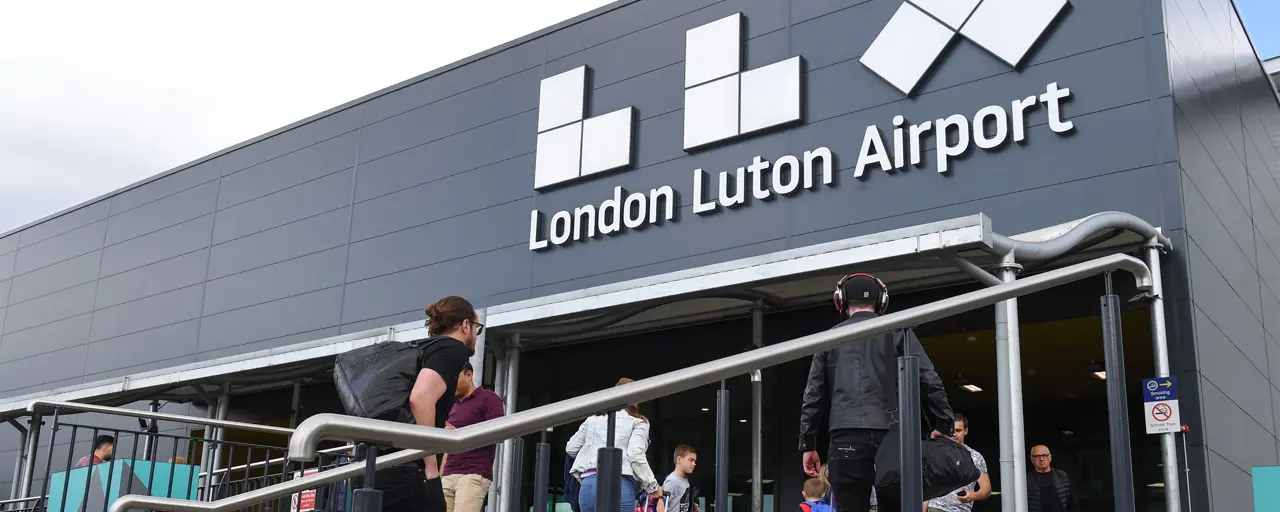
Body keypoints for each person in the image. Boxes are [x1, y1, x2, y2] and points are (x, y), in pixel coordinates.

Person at [799, 273, 955, 512]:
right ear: (882, 301)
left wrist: (808, 444)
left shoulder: (828, 339)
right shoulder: (899, 332)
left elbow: (813, 397)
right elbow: (929, 379)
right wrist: (943, 424)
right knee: (895, 506)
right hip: (892, 436)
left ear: (841, 301)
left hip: (845, 436)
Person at [375, 296, 481, 512]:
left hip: (380, 464)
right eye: (476, 328)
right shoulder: (453, 349)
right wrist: (430, 466)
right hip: (407, 469)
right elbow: (420, 398)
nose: (475, 336)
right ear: (466, 325)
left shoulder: (424, 348)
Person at [567, 378, 661, 512]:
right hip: (620, 484)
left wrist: (592, 457)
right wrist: (653, 487)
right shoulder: (638, 422)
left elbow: (571, 448)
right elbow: (635, 454)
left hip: (588, 485)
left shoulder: (593, 419)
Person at [441, 362, 505, 512]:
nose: (451, 383)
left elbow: (500, 433)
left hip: (473, 473)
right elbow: (447, 447)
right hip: (448, 474)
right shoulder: (453, 406)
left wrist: (458, 434)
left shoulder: (489, 398)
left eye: (454, 378)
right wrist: (440, 476)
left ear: (469, 375)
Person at [925, 414, 990, 512]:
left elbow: (986, 489)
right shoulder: (937, 452)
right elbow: (928, 487)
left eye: (958, 430)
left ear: (966, 431)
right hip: (935, 507)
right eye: (951, 431)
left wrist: (973, 495)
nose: (954, 434)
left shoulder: (975, 456)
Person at [1027, 445, 1079, 512]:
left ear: (1050, 457)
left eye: (1044, 455)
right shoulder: (1026, 479)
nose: (1041, 459)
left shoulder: (1062, 476)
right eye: (1037, 456)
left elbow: (1073, 503)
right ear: (1032, 459)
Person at [663, 445, 698, 512]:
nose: (694, 464)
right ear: (679, 460)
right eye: (691, 460)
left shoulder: (685, 479)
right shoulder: (672, 481)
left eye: (695, 461)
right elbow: (660, 503)